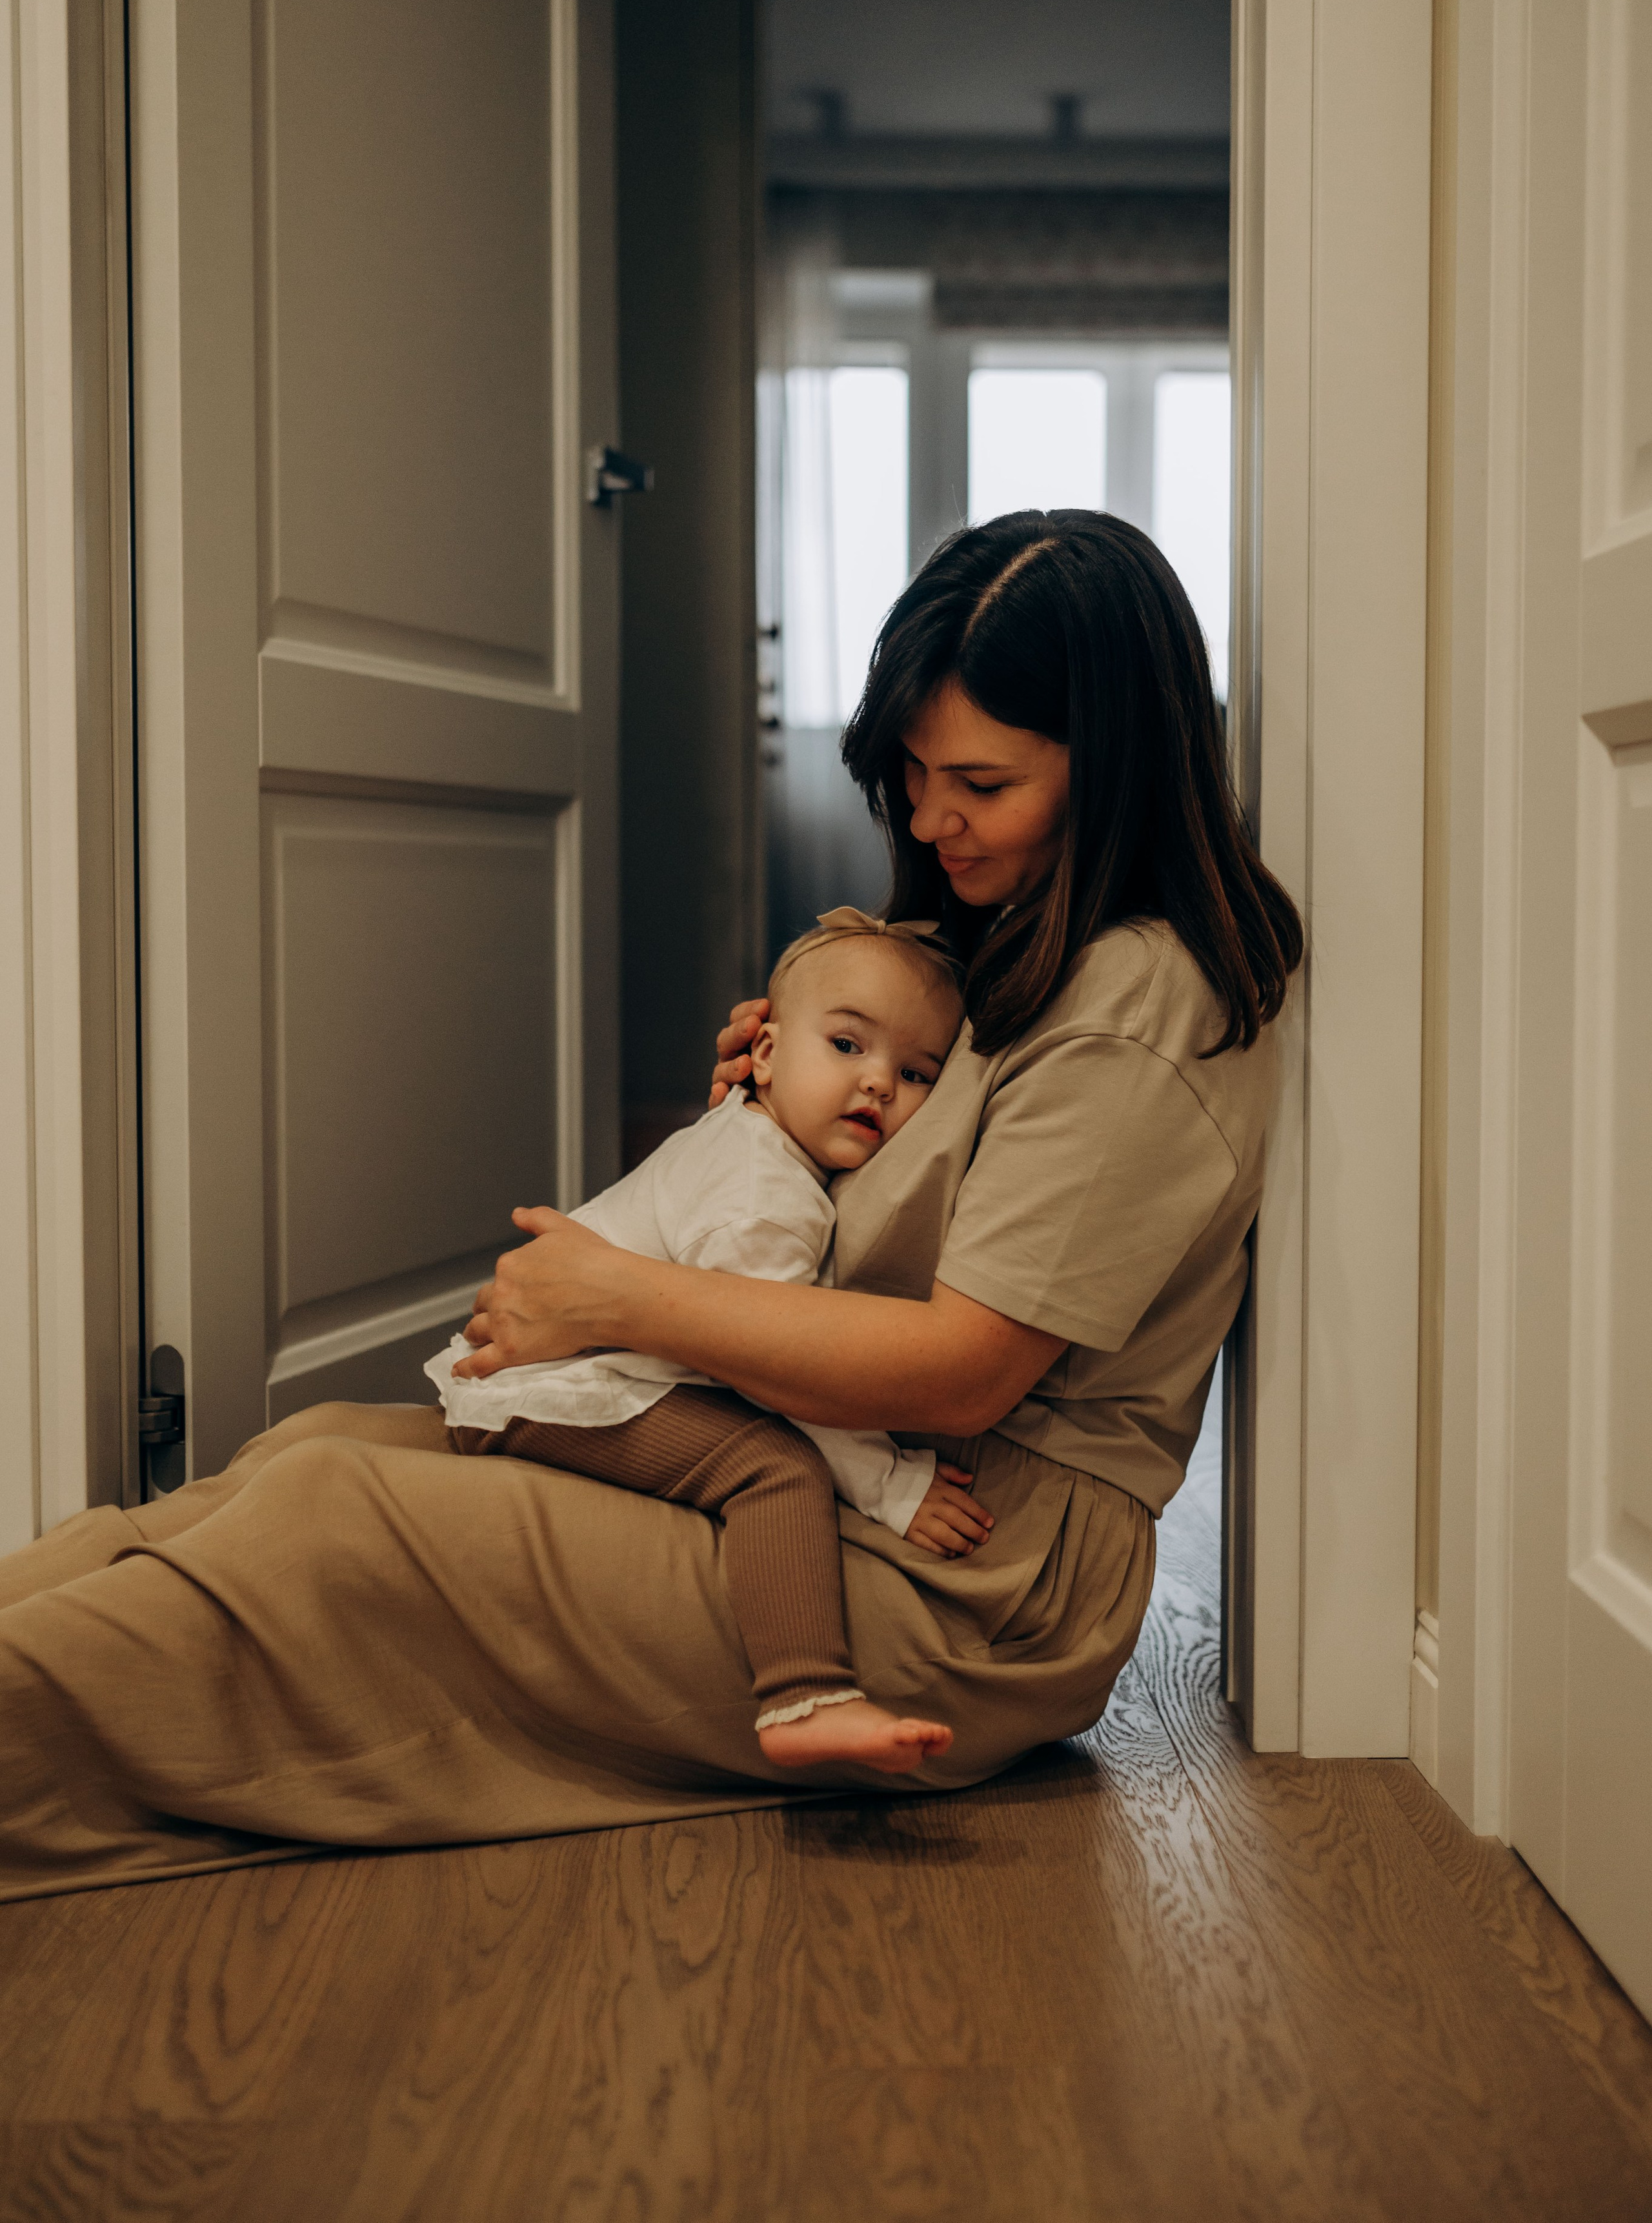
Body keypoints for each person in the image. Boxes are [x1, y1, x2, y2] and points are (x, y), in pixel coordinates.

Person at [0, 509, 1302, 1904]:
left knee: (329, 1529)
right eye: (911, 774)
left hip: (971, 1573)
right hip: (826, 1463)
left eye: (977, 781)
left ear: (1111, 769)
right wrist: (788, 1122)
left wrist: (616, 1295)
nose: (929, 820)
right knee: (304, 1451)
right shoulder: (1001, 939)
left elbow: (970, 1368)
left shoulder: (1133, 1010)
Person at [430, 909, 990, 1773]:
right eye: (847, 1046)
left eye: (916, 1073)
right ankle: (804, 1696)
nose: (879, 1083)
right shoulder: (763, 1188)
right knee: (775, 1469)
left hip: (593, 1373)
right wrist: (891, 1486)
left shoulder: (763, 1145)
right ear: (762, 1053)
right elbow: (783, 1374)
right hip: (562, 1386)